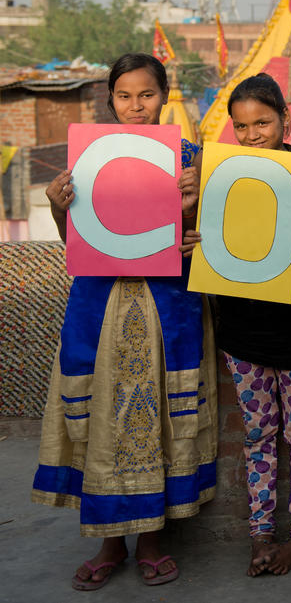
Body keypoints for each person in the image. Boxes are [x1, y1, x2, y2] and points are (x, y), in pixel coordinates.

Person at [33, 52, 216, 590]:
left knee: (158, 414)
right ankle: (111, 543)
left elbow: (213, 247)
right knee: (104, 421)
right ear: (109, 99)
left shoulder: (192, 161)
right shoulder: (87, 161)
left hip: (169, 307)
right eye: (124, 96)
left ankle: (154, 541)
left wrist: (193, 222)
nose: (136, 106)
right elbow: (77, 245)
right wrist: (58, 207)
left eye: (147, 94)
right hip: (101, 306)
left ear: (165, 95)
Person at [209, 73, 291, 577]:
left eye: (263, 122)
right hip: (240, 328)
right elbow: (212, 245)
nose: (253, 133)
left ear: (285, 120)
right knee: (258, 436)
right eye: (242, 126)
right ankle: (260, 533)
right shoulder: (221, 176)